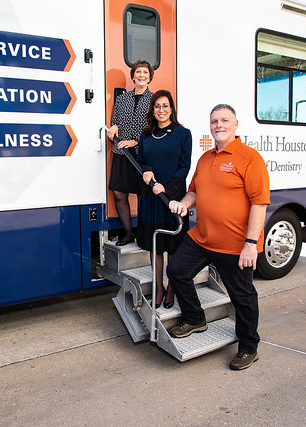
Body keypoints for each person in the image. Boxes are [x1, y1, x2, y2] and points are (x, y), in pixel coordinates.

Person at [166, 104, 270, 371]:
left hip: (236, 244)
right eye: (214, 121)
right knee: (177, 270)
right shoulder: (205, 159)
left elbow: (259, 204)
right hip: (202, 237)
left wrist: (250, 245)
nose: (219, 125)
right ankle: (195, 318)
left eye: (225, 120)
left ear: (236, 125)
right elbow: (194, 192)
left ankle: (248, 347)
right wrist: (183, 203)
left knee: (242, 296)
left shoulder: (249, 158)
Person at [136, 90, 191, 309]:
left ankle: (172, 287)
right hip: (151, 198)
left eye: (165, 106)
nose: (161, 110)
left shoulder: (183, 133)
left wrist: (165, 189)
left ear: (171, 109)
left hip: (173, 199)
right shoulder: (145, 134)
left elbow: (184, 167)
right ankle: (158, 287)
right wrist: (147, 172)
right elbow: (141, 161)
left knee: (173, 247)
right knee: (156, 247)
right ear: (152, 110)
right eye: (157, 106)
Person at [107, 60, 154, 246]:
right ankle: (128, 234)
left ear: (150, 77)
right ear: (133, 76)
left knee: (144, 196)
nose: (141, 75)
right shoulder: (122, 99)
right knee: (119, 194)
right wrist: (114, 127)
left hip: (143, 153)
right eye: (138, 72)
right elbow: (115, 121)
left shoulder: (154, 99)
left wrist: (135, 140)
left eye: (145, 72)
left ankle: (144, 234)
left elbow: (153, 126)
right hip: (122, 154)